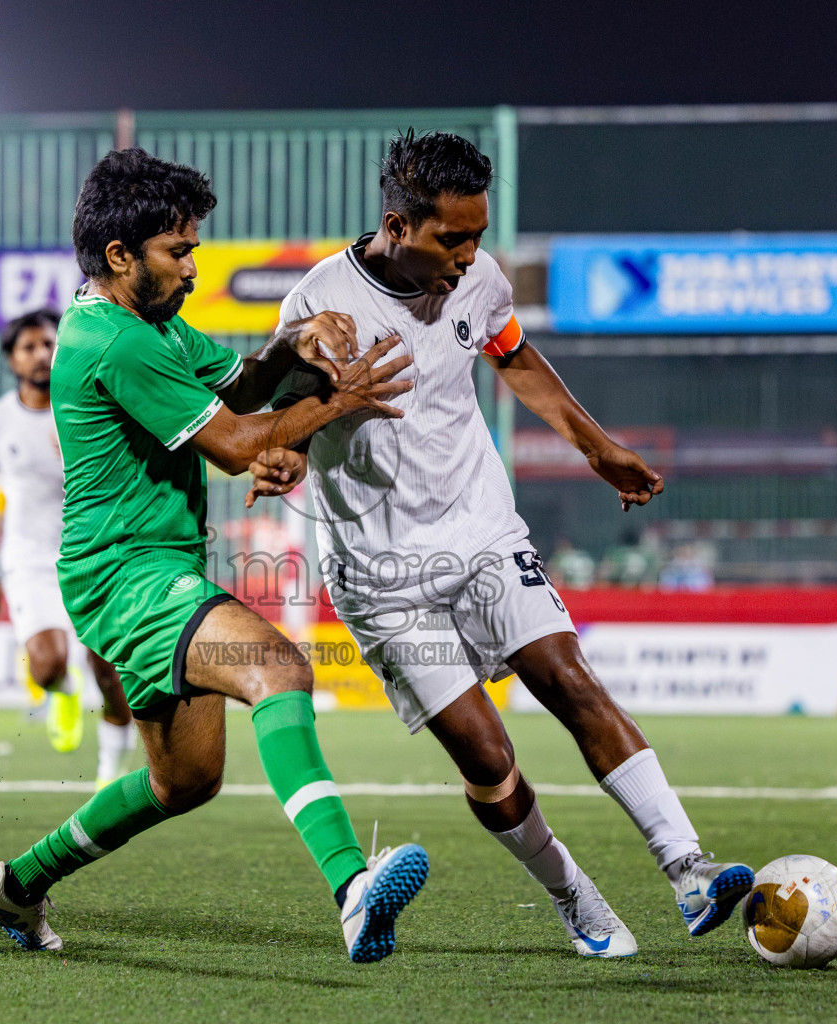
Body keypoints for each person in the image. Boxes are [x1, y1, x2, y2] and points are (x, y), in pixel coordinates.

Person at [253, 130, 751, 959]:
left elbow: (513, 357)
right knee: (489, 756)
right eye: (452, 238)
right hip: (381, 572)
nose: (469, 256)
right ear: (398, 224)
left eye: (478, 236)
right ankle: (573, 894)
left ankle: (688, 868)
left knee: (570, 678)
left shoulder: (479, 282)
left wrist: (595, 444)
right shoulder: (322, 303)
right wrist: (286, 453)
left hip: (482, 531)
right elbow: (289, 415)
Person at [0, 148, 427, 960]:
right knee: (279, 669)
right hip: (125, 575)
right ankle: (353, 888)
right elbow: (240, 442)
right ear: (120, 255)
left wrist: (288, 349)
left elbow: (241, 391)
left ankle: (14, 884)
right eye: (179, 252)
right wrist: (336, 401)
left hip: (144, 571)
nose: (192, 267)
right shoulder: (113, 342)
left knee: (187, 780)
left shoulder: (152, 324)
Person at [0, 309, 137, 771]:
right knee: (49, 665)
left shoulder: (91, 410)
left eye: (49, 345)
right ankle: (65, 692)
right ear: (11, 359)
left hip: (97, 555)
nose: (41, 355)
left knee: (110, 669)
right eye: (28, 347)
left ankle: (109, 771)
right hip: (28, 560)